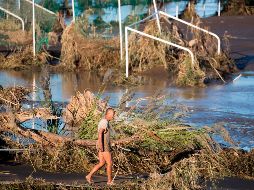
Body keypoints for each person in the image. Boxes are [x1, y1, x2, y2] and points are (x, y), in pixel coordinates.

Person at [86, 108, 115, 185]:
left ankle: (89, 176)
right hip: (104, 146)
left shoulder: (105, 122)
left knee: (102, 163)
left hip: (102, 145)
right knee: (109, 163)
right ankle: (109, 181)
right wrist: (102, 145)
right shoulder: (104, 122)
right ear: (108, 114)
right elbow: (100, 133)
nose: (113, 117)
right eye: (112, 115)